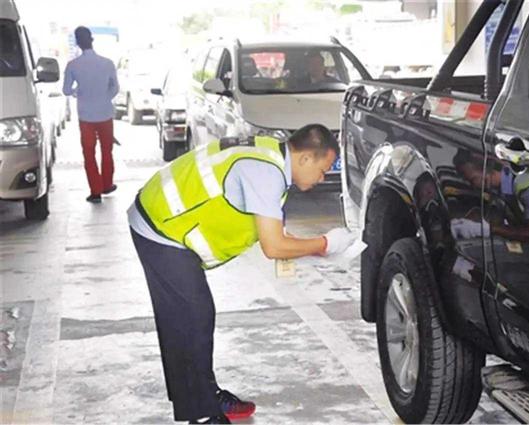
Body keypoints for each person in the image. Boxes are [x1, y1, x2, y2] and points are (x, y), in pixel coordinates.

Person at [128, 124, 356, 424]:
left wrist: (315, 250)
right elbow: (273, 246)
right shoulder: (265, 173)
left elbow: (273, 233)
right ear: (304, 159)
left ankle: (203, 396)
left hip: (165, 220)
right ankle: (202, 413)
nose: (322, 178)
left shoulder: (271, 155)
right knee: (191, 318)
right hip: (161, 227)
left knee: (191, 317)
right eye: (323, 170)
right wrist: (326, 243)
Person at [63, 26, 119, 203]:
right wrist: (103, 98)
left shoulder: (73, 65)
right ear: (92, 39)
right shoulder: (107, 63)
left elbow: (65, 90)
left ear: (78, 43)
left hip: (86, 116)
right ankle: (107, 184)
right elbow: (115, 87)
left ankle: (95, 191)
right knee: (107, 150)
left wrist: (77, 92)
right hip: (105, 114)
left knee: (89, 153)